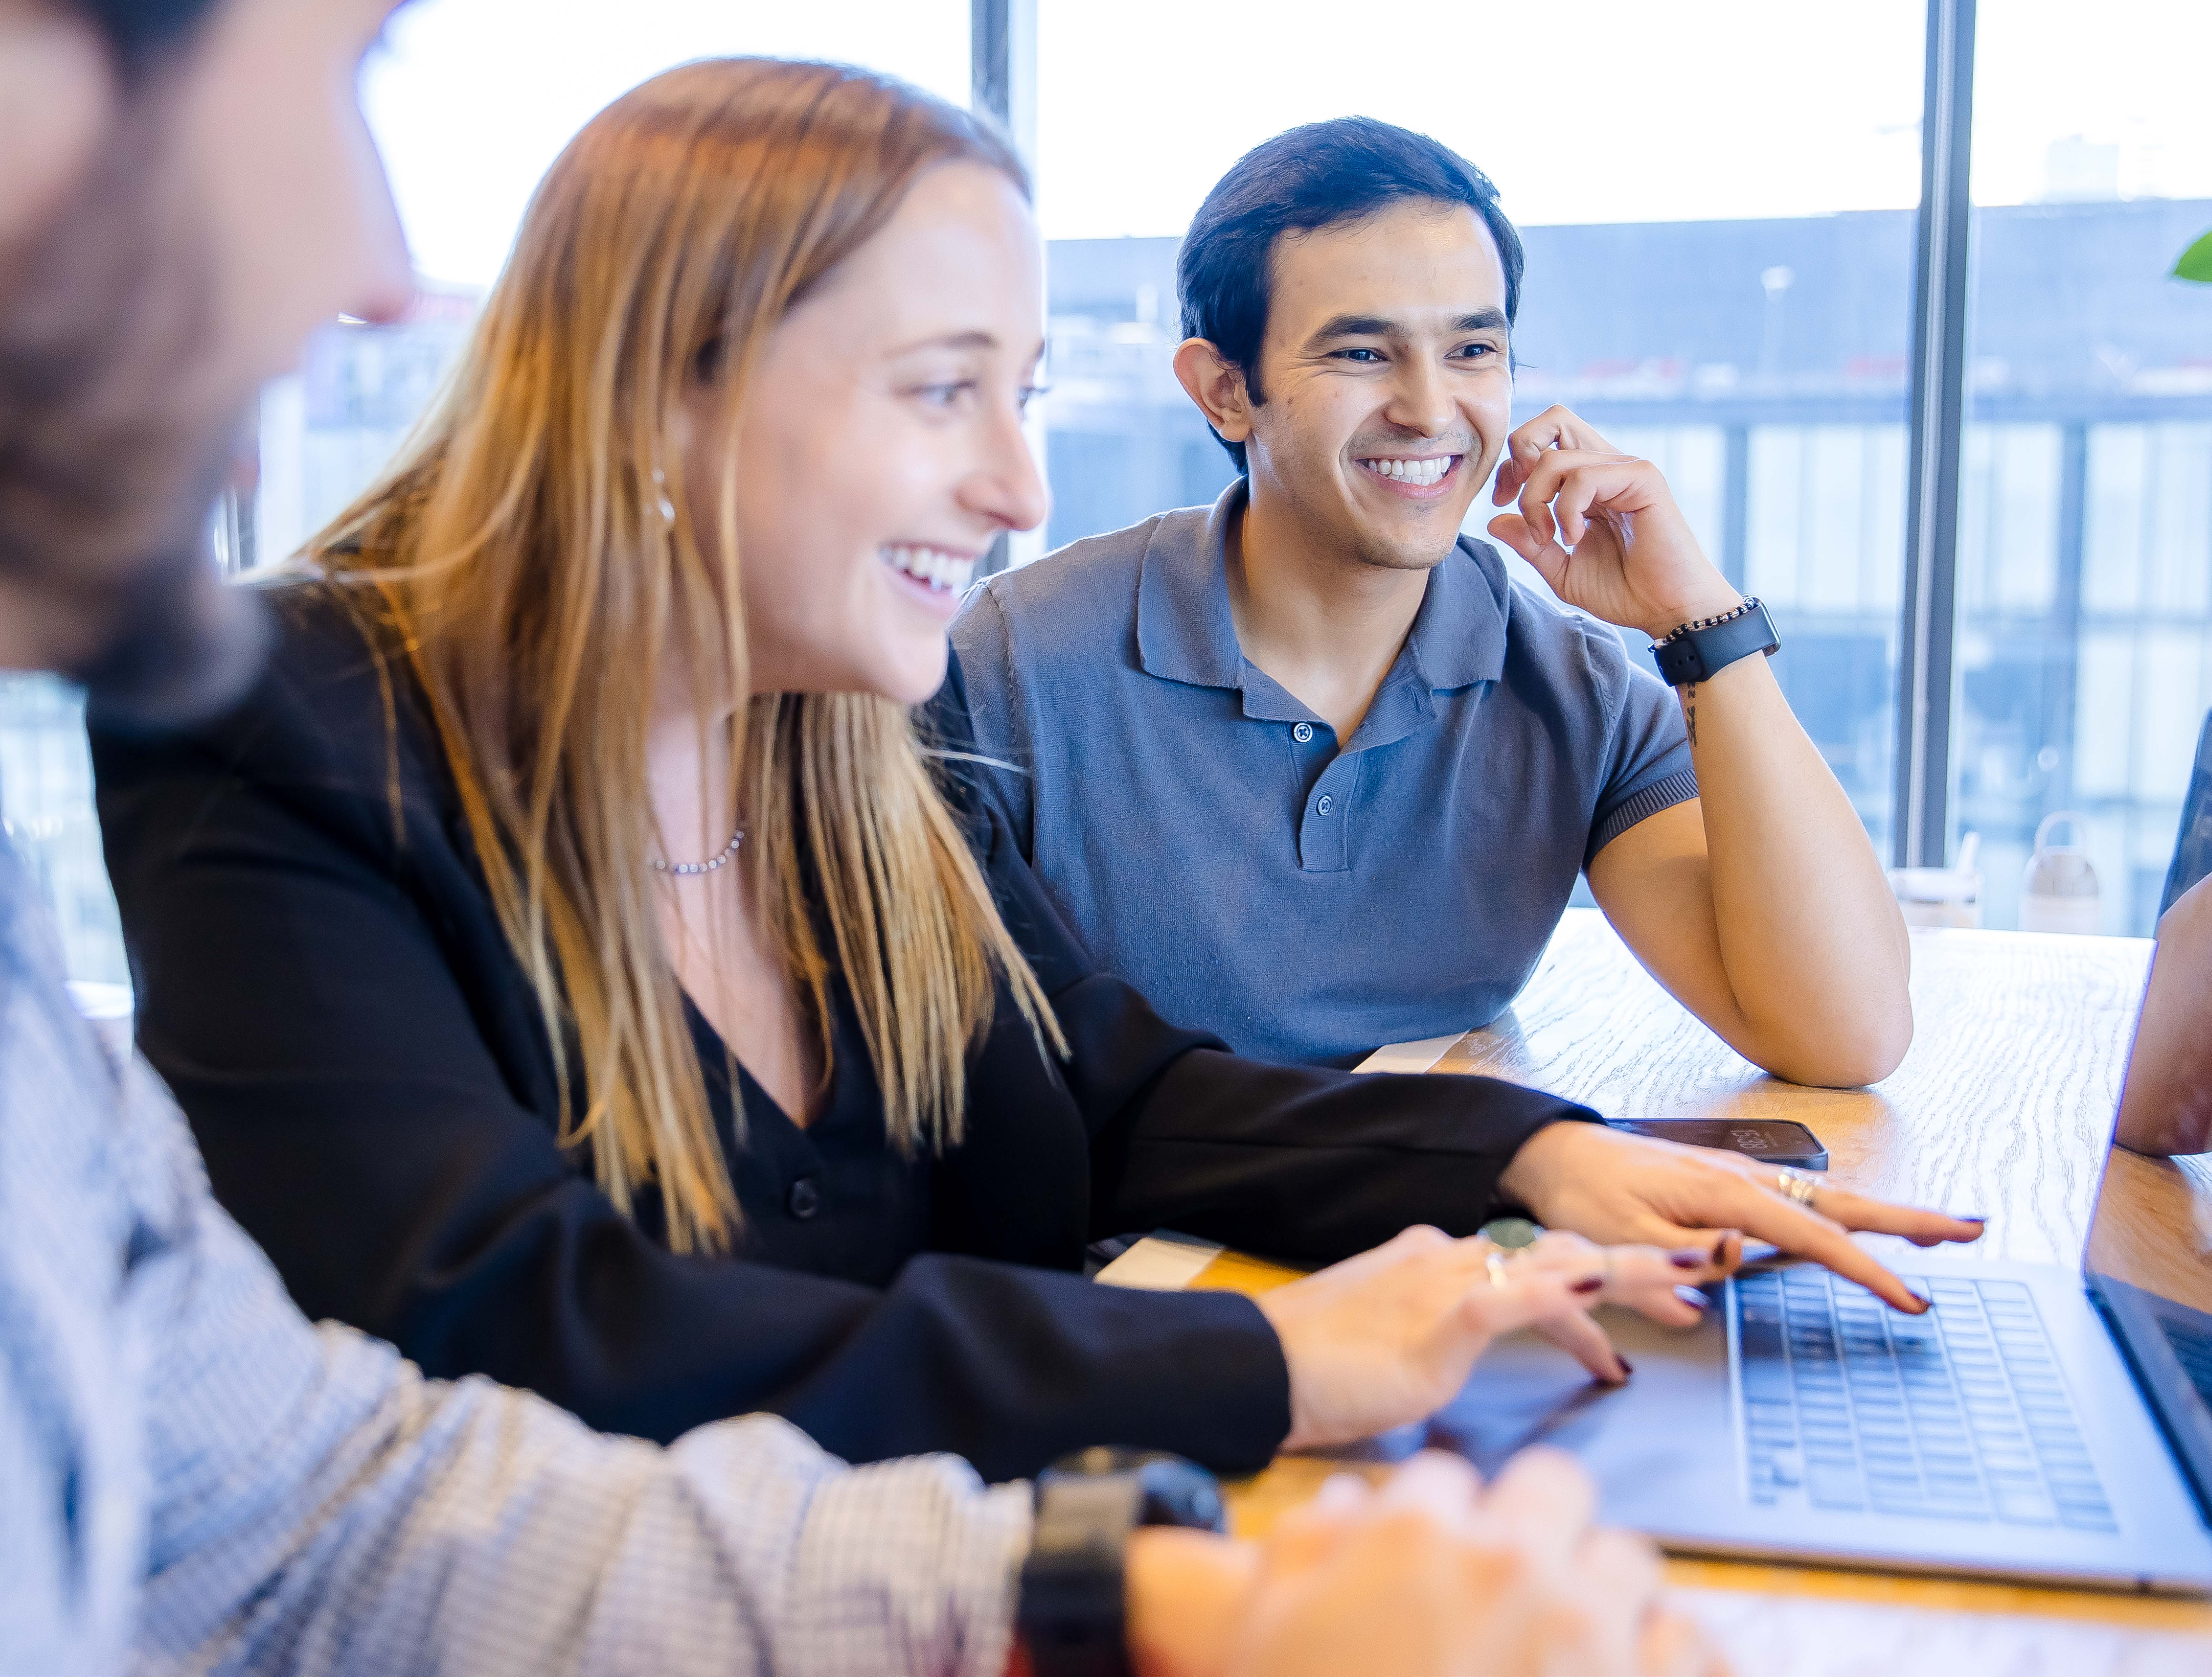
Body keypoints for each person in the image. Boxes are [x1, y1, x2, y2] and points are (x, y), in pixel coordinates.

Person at [1, 0, 1724, 1670]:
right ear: (664, 401)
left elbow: (1103, 1089)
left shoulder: (839, 729)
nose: (1019, 488)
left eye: (1021, 393)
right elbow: (509, 1329)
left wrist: (1527, 1156)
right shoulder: (292, 718)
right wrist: (1241, 1356)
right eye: (935, 391)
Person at [945, 117, 1915, 1086]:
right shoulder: (1012, 660)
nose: (1429, 409)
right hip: (1120, 1232)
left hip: (1443, 1214)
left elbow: (1841, 1032)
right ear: (1224, 391)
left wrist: (1698, 621)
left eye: (1471, 351)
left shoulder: (1573, 690)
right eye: (1363, 354)